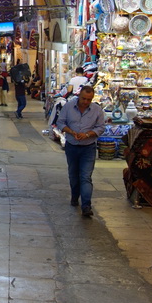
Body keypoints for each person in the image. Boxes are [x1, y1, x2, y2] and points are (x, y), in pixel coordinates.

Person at [56, 86, 106, 217]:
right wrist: (71, 132)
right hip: (72, 146)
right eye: (83, 98)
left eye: (89, 99)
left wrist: (88, 134)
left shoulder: (97, 110)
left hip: (88, 147)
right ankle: (74, 196)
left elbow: (101, 127)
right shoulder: (68, 107)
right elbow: (60, 122)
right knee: (73, 174)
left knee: (85, 177)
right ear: (79, 96)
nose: (85, 102)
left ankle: (86, 206)